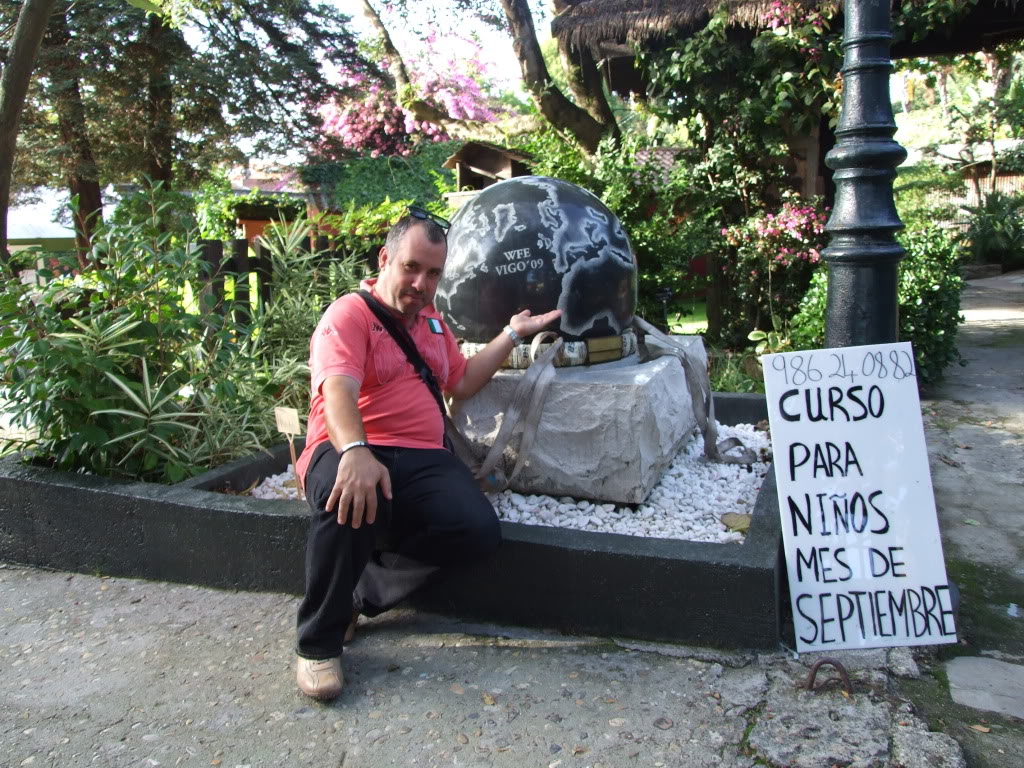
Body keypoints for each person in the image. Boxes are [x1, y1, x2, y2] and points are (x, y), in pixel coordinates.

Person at [294, 208, 561, 700]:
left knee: (477, 531)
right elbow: (337, 393)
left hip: (422, 457)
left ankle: (362, 591)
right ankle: (318, 644)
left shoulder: (433, 323)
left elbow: (460, 380)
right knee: (348, 492)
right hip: (350, 445)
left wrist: (513, 334)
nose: (421, 282)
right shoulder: (349, 314)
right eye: (411, 267)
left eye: (433, 273)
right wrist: (354, 450)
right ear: (385, 259)